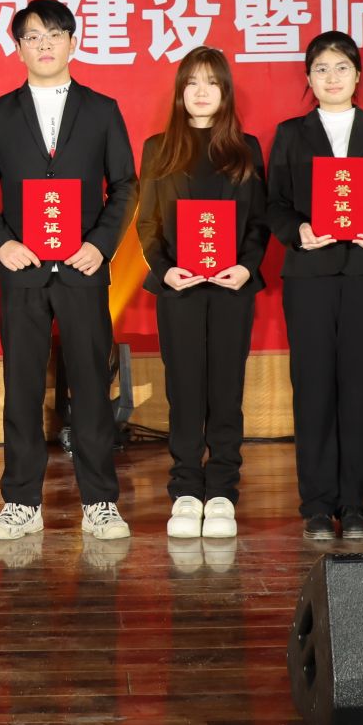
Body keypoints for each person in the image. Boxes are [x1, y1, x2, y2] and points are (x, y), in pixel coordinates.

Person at [0, 0, 138, 543]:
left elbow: (125, 186)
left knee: (91, 386)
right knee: (21, 389)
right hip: (24, 270)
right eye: (32, 37)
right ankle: (21, 501)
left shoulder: (102, 109)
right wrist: (2, 244)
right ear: (18, 49)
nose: (44, 45)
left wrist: (101, 245)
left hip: (83, 268)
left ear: (73, 43)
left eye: (55, 35)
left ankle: (100, 502)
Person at [265, 32, 363, 542]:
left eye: (342, 68)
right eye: (321, 69)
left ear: (358, 75)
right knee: (311, 388)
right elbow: (274, 203)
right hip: (309, 275)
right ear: (308, 77)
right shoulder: (291, 133)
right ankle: (315, 505)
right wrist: (298, 231)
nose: (332, 77)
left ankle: (354, 506)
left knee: (359, 387)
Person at [133, 46, 269, 541]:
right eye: (192, 82)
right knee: (184, 389)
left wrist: (246, 267)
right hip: (180, 289)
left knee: (226, 389)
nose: (202, 91)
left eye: (212, 82)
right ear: (180, 92)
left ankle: (224, 490)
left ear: (225, 91)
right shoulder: (158, 148)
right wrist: (165, 270)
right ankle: (187, 489)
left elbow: (259, 222)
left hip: (232, 288)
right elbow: (147, 222)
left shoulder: (246, 148)